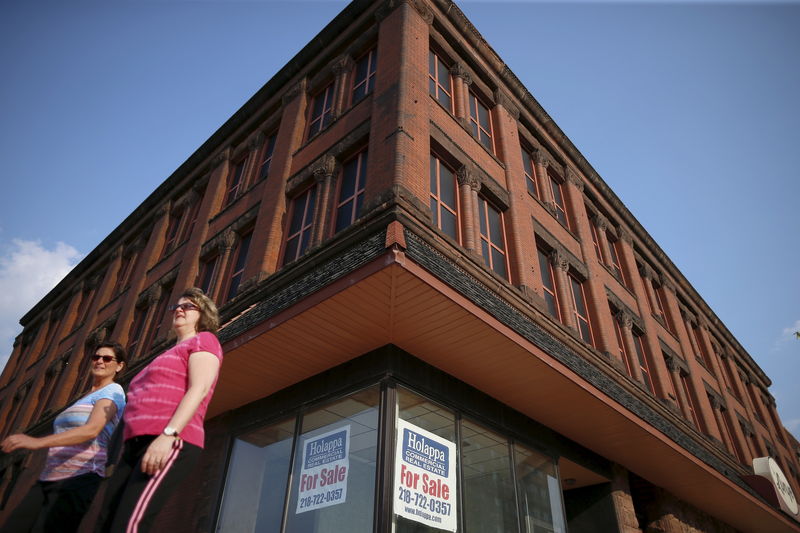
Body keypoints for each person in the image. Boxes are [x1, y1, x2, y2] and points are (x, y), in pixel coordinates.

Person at [97, 287, 222, 533]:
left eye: (188, 306)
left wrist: (169, 434)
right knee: (106, 522)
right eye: (176, 306)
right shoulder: (164, 354)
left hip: (170, 438)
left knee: (130, 524)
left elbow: (199, 389)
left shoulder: (204, 340)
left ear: (203, 314)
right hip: (133, 446)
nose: (179, 310)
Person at [0, 342, 127, 533]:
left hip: (78, 478)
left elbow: (91, 430)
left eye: (107, 358)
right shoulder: (84, 397)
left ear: (119, 366)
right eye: (96, 357)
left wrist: (37, 442)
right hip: (48, 478)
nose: (100, 361)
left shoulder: (113, 390)